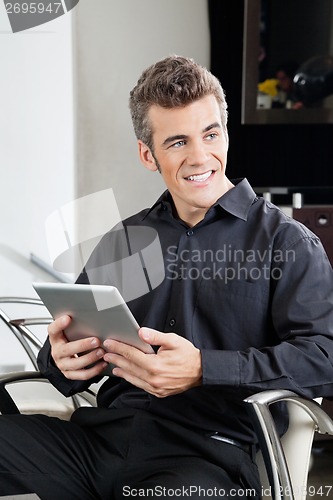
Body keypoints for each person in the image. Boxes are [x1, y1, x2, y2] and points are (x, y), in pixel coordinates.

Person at [1, 55, 333, 499]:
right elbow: (61, 354)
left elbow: (324, 359)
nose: (200, 156)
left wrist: (203, 369)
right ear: (147, 153)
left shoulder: (286, 243)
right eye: (177, 142)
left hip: (205, 456)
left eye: (210, 134)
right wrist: (61, 362)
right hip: (95, 443)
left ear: (226, 135)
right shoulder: (125, 240)